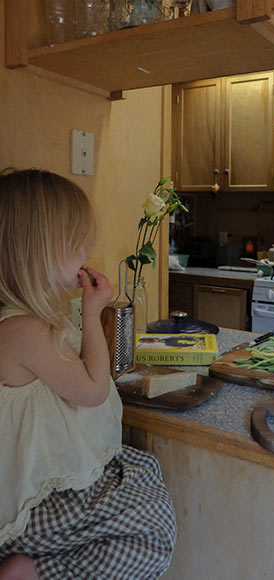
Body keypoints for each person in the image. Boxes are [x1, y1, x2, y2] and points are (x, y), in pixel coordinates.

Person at [0, 169, 177, 579]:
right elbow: (95, 389)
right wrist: (95, 310)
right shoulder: (27, 332)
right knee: (150, 523)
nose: (87, 248)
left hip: (34, 495)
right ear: (38, 251)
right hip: (31, 509)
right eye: (76, 241)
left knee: (142, 474)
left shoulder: (24, 324)